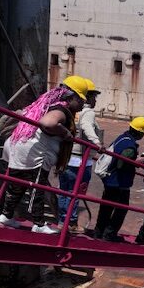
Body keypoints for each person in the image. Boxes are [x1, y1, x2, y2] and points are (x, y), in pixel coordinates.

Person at [0, 76, 88, 234]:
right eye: (81, 100)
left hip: (18, 147)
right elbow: (48, 123)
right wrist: (65, 132)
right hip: (36, 153)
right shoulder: (62, 110)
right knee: (37, 187)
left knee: (16, 186)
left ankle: (6, 216)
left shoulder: (45, 104)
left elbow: (22, 113)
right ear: (72, 96)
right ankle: (39, 224)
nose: (82, 105)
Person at [94, 116, 144, 242]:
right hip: (119, 183)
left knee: (106, 208)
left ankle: (99, 232)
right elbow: (121, 164)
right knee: (121, 210)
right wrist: (138, 161)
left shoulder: (123, 137)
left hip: (110, 179)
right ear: (141, 133)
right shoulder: (130, 146)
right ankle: (109, 235)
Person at [58, 78, 102, 233]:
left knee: (64, 190)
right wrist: (97, 143)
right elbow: (86, 127)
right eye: (94, 96)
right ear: (88, 96)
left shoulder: (73, 110)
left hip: (68, 156)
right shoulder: (88, 112)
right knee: (75, 192)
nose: (95, 100)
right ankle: (71, 223)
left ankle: (63, 220)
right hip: (81, 159)